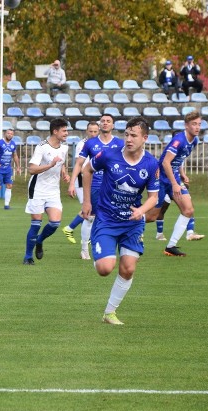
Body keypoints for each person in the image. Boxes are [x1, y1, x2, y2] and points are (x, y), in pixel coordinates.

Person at [81, 116, 160, 326]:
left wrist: (141, 211)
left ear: (145, 138)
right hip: (106, 219)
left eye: (134, 135)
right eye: (126, 134)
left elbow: (153, 197)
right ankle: (98, 247)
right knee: (105, 269)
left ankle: (109, 312)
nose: (129, 139)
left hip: (132, 223)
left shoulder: (151, 164)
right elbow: (86, 170)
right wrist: (87, 201)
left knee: (128, 268)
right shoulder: (108, 155)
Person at [146, 111, 203, 256]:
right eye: (194, 124)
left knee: (188, 210)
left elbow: (178, 159)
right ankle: (125, 222)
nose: (197, 127)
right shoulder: (178, 140)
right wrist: (174, 183)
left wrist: (181, 175)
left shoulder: (194, 140)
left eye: (199, 124)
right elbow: (165, 162)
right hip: (161, 179)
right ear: (186, 125)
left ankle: (171, 246)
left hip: (174, 179)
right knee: (151, 217)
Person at [64, 114, 123, 249]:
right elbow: (79, 164)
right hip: (95, 185)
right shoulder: (90, 143)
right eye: (103, 121)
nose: (105, 123)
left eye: (108, 121)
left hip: (114, 186)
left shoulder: (120, 143)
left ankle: (112, 245)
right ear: (100, 124)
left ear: (113, 125)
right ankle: (85, 249)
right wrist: (72, 183)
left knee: (115, 217)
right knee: (90, 217)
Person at [23, 118, 71, 265]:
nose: (67, 133)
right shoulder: (42, 147)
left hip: (53, 191)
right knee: (36, 223)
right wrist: (50, 165)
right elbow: (31, 169)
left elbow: (61, 163)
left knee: (55, 223)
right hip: (37, 189)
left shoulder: (64, 147)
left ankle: (39, 240)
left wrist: (64, 173)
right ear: (55, 131)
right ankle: (27, 257)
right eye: (64, 131)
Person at [64, 121, 99, 259]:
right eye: (91, 131)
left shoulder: (102, 144)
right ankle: (84, 246)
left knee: (94, 214)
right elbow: (81, 164)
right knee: (89, 214)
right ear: (86, 131)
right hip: (83, 181)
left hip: (99, 183)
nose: (93, 134)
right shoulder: (82, 144)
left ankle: (71, 229)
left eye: (96, 131)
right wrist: (72, 183)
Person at [155, 166, 204, 242]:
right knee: (161, 210)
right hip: (165, 183)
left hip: (177, 183)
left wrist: (183, 175)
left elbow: (179, 165)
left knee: (188, 207)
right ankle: (159, 234)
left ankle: (190, 233)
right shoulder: (169, 155)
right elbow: (165, 163)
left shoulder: (181, 155)